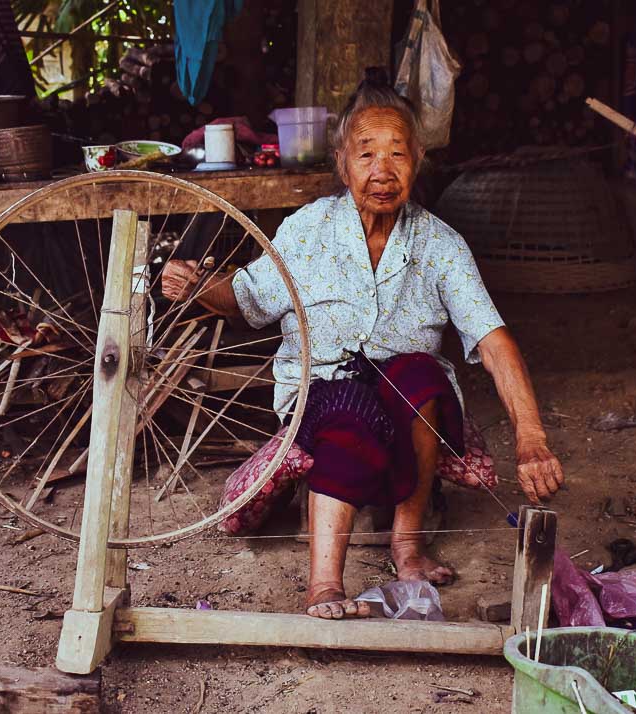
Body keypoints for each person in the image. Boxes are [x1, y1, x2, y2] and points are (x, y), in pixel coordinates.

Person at [162, 69, 564, 620]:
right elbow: (249, 299)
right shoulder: (308, 230)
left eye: (397, 154)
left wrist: (532, 437)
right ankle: (325, 586)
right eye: (366, 153)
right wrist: (198, 286)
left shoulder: (440, 244)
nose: (382, 170)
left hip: (406, 402)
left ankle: (408, 548)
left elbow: (491, 338)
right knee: (348, 407)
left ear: (417, 162)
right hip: (323, 391)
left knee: (422, 375)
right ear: (342, 163)